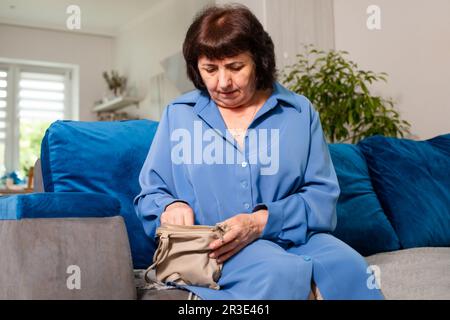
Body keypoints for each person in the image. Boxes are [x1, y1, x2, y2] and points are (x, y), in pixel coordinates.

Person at [134, 4, 384, 300]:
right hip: (216, 248)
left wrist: (259, 222)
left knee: (351, 267)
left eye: (236, 67)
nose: (222, 82)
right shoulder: (179, 114)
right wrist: (169, 206)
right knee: (280, 272)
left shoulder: (299, 111)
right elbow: (149, 194)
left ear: (260, 61)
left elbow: (322, 199)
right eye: (210, 70)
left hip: (296, 237)